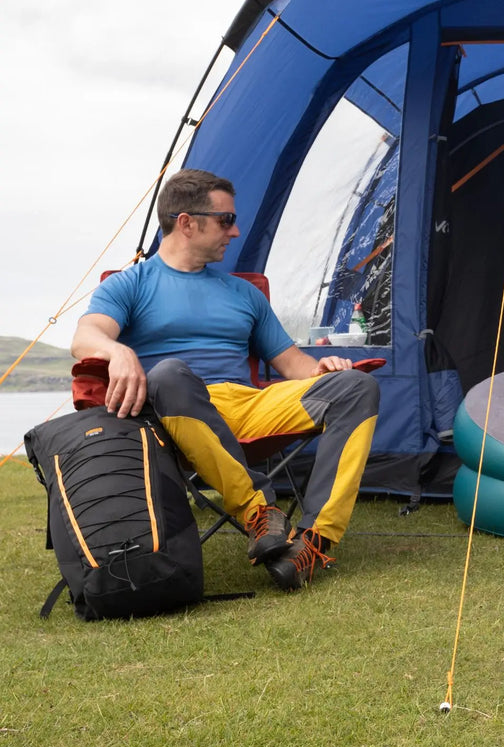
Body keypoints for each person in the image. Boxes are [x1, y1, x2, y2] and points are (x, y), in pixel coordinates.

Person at [70, 169, 380, 591]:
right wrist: (120, 351)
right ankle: (258, 511)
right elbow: (85, 336)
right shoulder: (132, 284)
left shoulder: (244, 294)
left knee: (357, 388)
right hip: (173, 415)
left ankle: (313, 543)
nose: (235, 232)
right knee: (169, 372)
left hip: (246, 407)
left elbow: (292, 364)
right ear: (186, 222)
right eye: (225, 220)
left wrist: (323, 368)